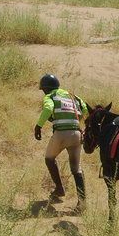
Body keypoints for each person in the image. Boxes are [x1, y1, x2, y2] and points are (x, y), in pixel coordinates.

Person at [34, 74, 89, 210]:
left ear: (46, 88)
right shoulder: (72, 96)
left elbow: (47, 109)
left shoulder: (50, 96)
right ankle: (82, 204)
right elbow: (86, 110)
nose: (44, 92)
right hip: (76, 134)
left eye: (43, 90)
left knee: (49, 158)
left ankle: (59, 189)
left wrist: (38, 126)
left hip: (61, 134)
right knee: (77, 169)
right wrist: (78, 121)